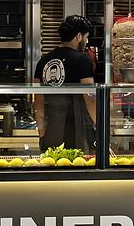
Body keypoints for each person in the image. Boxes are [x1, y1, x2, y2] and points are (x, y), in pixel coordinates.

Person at [33, 15, 96, 152]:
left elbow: (38, 101)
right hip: (76, 131)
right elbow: (89, 98)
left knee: (51, 169)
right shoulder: (83, 60)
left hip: (51, 130)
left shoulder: (43, 61)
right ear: (78, 36)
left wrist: (42, 131)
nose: (86, 41)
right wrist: (100, 125)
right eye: (86, 37)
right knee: (75, 169)